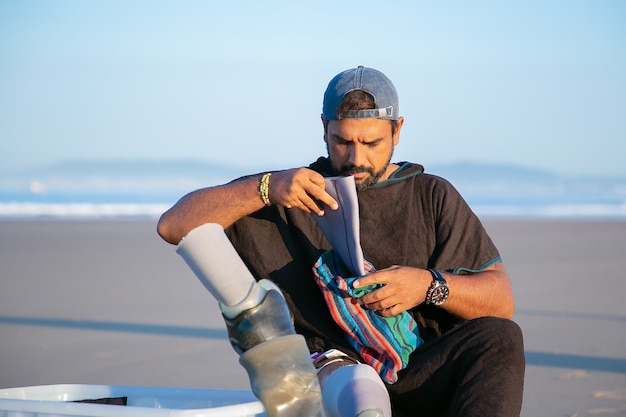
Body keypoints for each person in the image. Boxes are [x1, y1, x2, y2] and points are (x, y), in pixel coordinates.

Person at [158, 66, 525, 417]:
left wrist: (427, 286)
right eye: (343, 141)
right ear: (324, 129)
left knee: (500, 336)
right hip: (331, 381)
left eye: (372, 142)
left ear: (397, 130)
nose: (356, 159)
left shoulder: (431, 195)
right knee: (352, 385)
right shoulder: (288, 193)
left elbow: (500, 299)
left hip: (421, 371)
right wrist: (266, 188)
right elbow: (174, 225)